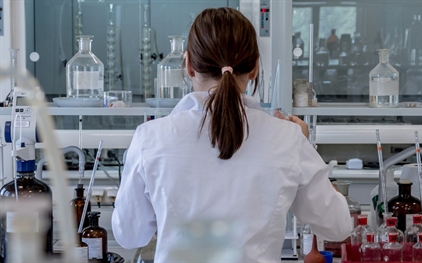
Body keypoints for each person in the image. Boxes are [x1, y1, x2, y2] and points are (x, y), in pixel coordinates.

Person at [112, 8, 352, 262]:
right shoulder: (288, 138)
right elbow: (337, 227)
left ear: (189, 65)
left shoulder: (150, 138)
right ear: (255, 67)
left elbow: (129, 236)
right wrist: (306, 147)